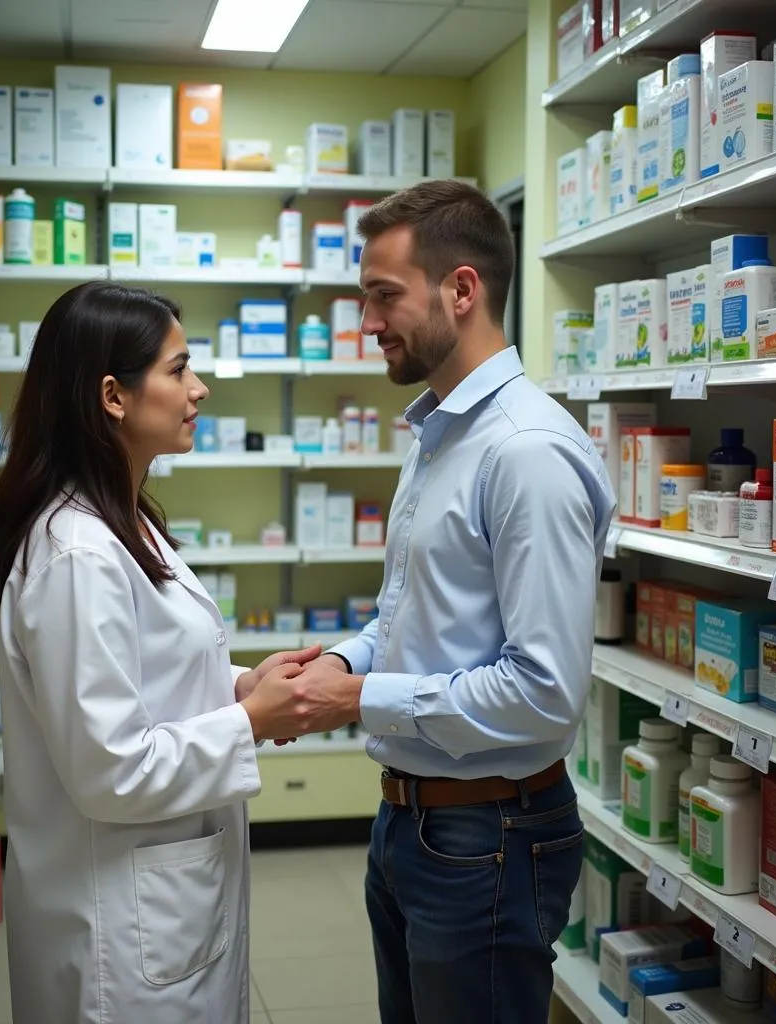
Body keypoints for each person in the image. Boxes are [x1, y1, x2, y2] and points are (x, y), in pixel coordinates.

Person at [0, 281, 358, 1024]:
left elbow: (149, 672)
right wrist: (247, 722)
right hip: (118, 928)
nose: (198, 389)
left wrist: (243, 684)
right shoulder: (77, 553)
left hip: (160, 900)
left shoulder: (122, 518)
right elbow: (110, 769)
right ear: (113, 396)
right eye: (179, 370)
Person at [275, 181, 617, 1023]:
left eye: (383, 295)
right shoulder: (441, 433)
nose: (366, 321)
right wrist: (334, 666)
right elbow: (409, 616)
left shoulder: (525, 452)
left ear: (461, 290)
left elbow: (542, 694)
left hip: (489, 837)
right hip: (410, 824)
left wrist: (357, 697)